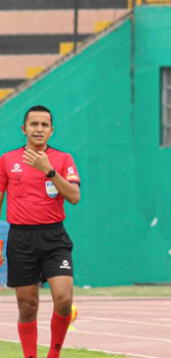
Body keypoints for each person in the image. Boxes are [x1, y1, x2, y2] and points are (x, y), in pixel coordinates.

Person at [0, 105, 81, 358]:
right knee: (27, 306)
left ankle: (54, 354)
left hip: (54, 237)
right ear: (24, 129)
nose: (39, 129)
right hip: (21, 238)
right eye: (34, 124)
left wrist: (49, 170)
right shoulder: (7, 160)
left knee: (64, 299)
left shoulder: (63, 159)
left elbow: (74, 197)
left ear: (51, 130)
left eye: (44, 125)